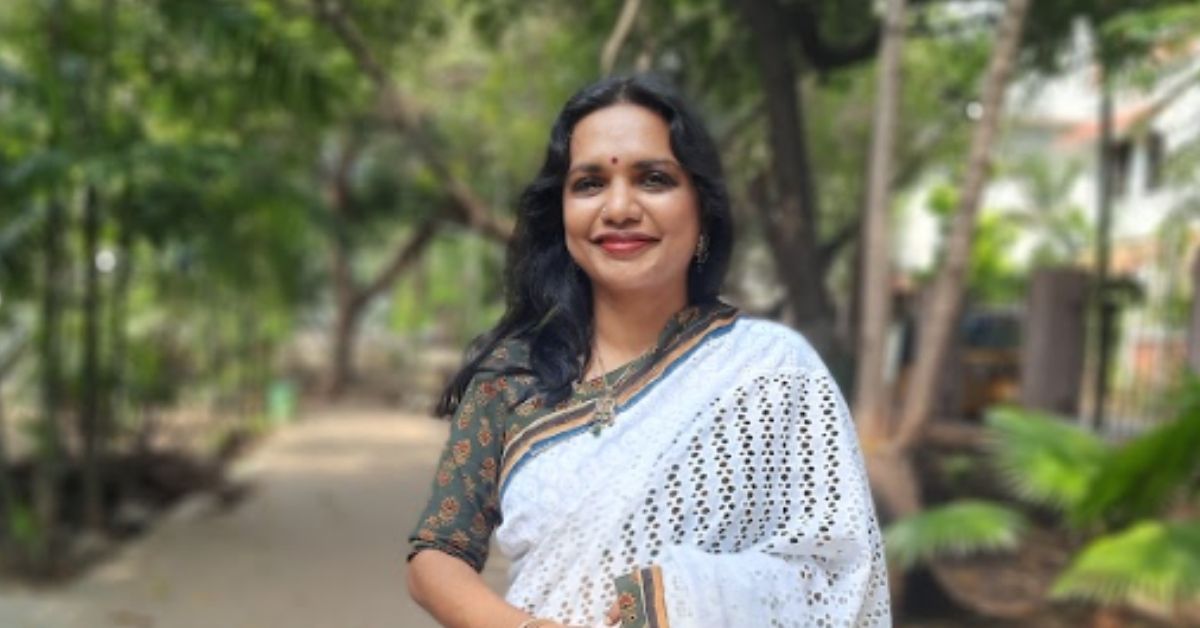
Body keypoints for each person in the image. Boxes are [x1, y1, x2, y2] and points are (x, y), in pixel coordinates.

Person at [406, 74, 891, 628]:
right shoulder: (514, 376)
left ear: (701, 208)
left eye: (653, 179)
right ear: (561, 212)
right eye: (589, 184)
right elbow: (436, 554)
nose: (618, 208)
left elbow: (839, 574)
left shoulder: (774, 371)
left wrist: (680, 598)